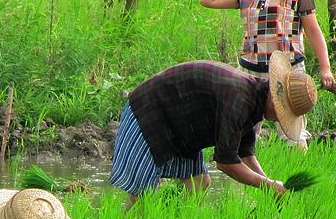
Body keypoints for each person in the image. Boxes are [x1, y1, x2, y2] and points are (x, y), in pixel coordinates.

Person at [108, 54, 316, 206]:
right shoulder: (240, 98)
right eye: (282, 111)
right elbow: (226, 162)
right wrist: (266, 185)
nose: (279, 118)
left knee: (199, 184)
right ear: (273, 94)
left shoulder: (255, 99)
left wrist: (270, 185)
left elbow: (245, 154)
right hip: (150, 113)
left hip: (182, 127)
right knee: (142, 196)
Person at [199, 0, 336, 149]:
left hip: (287, 71)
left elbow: (313, 31)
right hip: (250, 72)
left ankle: (295, 178)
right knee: (242, 134)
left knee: (294, 137)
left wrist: (325, 68)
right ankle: (249, 179)